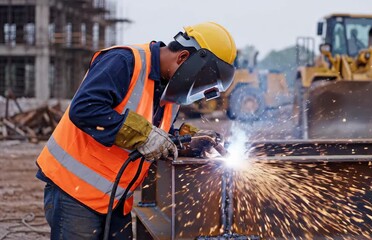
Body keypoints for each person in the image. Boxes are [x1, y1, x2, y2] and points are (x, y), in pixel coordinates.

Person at [35, 22, 236, 239]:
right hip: (75, 193)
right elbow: (85, 108)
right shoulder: (124, 61)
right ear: (183, 58)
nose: (194, 91)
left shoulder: (169, 93)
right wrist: (144, 135)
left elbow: (158, 136)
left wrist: (191, 142)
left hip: (117, 199)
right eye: (198, 83)